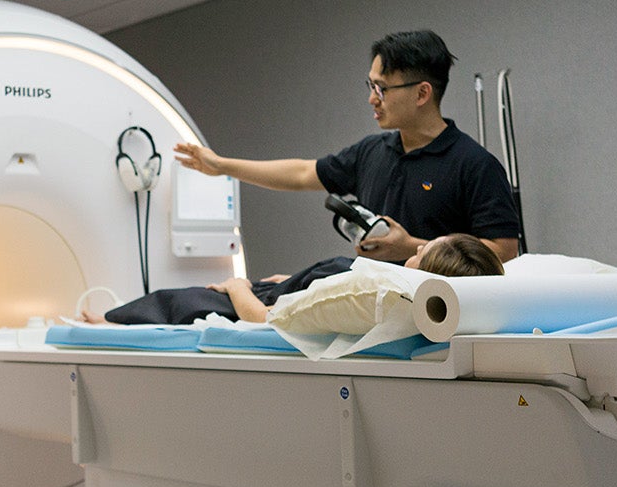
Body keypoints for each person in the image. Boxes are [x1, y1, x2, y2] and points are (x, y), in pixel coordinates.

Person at [173, 30, 521, 265]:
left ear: (422, 93)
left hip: (434, 313)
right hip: (372, 301)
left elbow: (504, 253)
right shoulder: (372, 152)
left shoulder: (474, 165)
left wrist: (412, 247)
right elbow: (300, 174)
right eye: (371, 85)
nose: (372, 99)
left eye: (382, 89)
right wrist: (221, 166)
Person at [89, 234, 503, 325]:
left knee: (179, 301)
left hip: (240, 304)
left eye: (420, 254)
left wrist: (238, 287)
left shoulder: (384, 292)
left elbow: (265, 321)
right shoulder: (383, 283)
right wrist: (298, 279)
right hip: (279, 286)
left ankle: (100, 327)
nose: (413, 249)